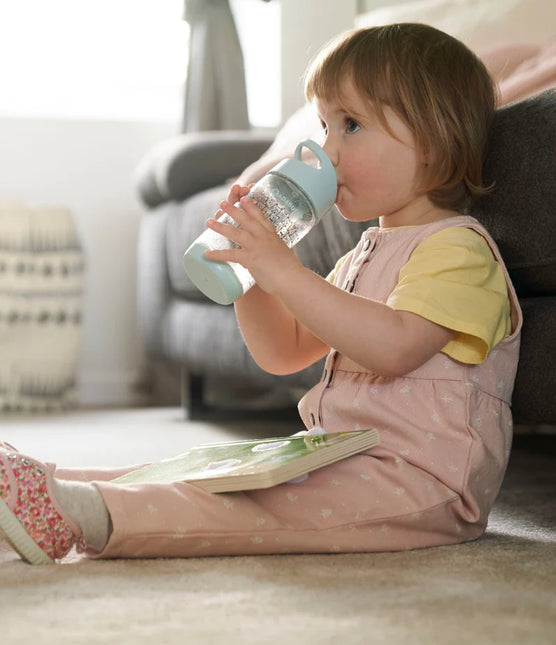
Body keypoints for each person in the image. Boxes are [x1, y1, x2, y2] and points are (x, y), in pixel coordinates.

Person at [0, 24, 521, 565]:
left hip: (421, 482)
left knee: (250, 510)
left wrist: (284, 271)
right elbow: (283, 352)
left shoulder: (458, 250)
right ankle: (41, 486)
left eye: (350, 125)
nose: (326, 150)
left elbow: (395, 346)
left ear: (433, 144)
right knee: (210, 467)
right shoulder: (364, 255)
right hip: (345, 458)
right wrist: (248, 272)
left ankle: (80, 514)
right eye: (324, 126)